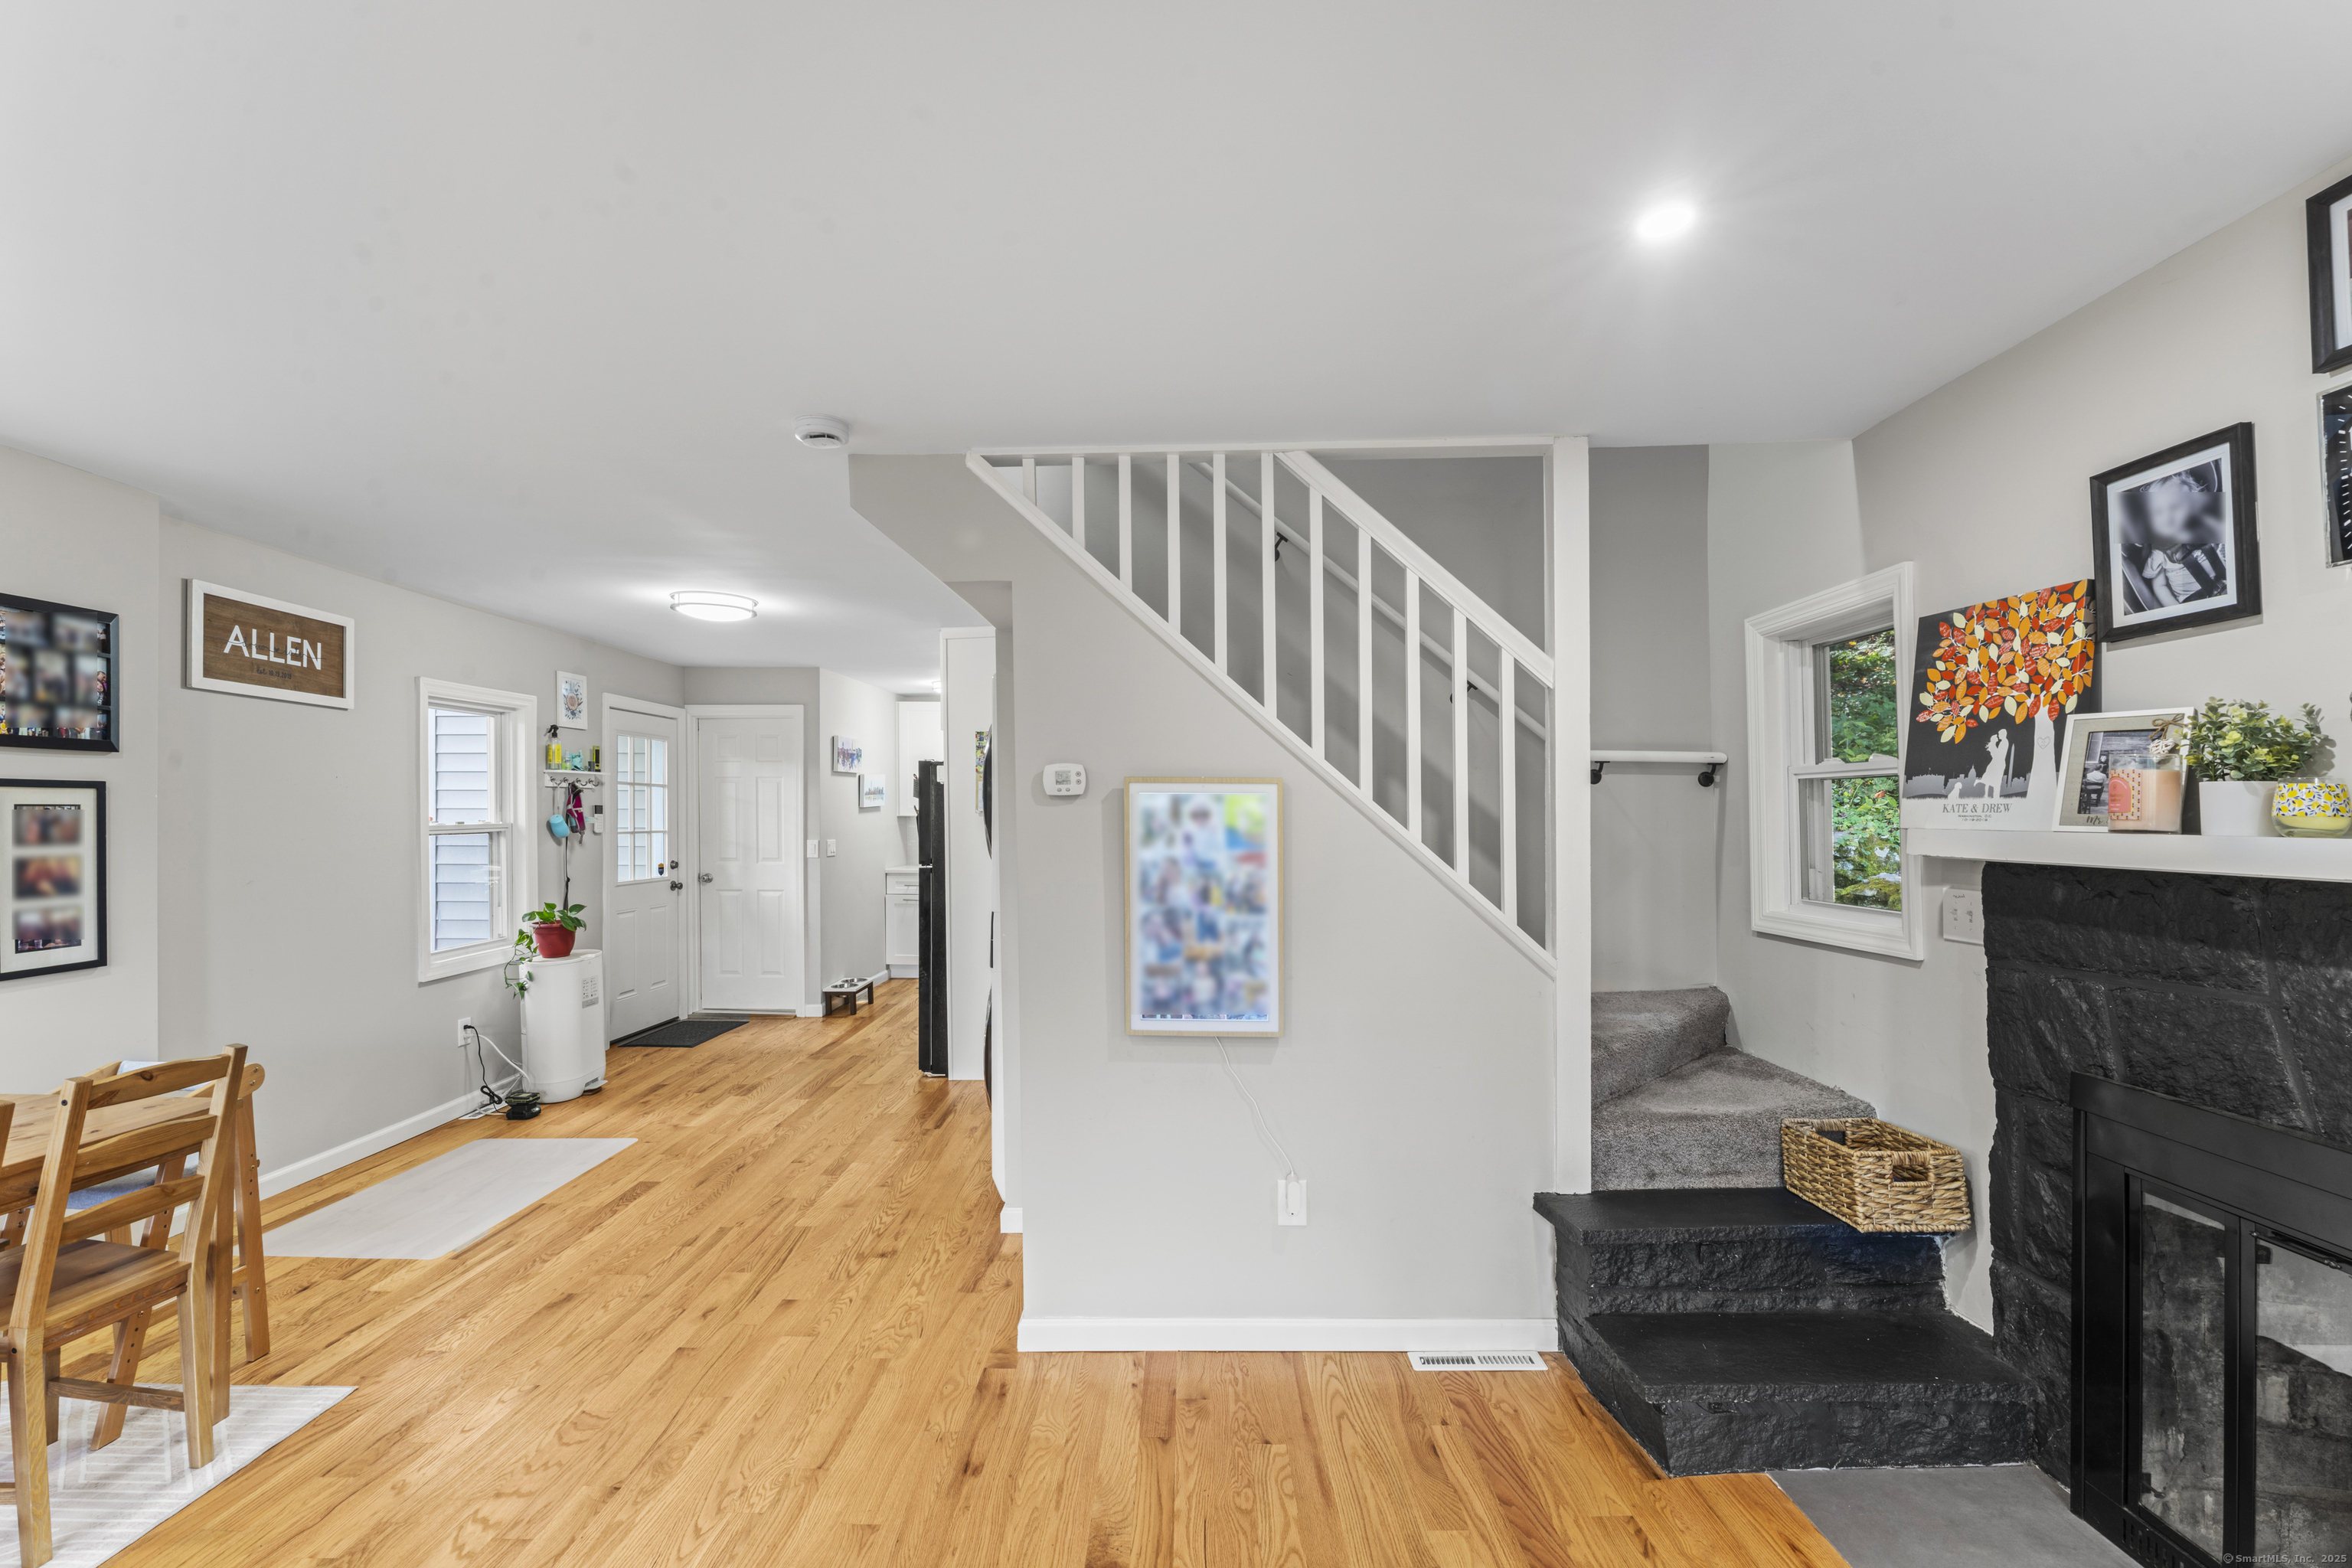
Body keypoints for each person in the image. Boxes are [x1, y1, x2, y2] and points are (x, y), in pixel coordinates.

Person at [2131, 472, 2227, 609]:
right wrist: (2177, 610)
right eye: (2159, 511)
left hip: (2225, 586)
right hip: (2194, 602)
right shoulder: (2159, 552)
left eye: (2175, 507)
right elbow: (2160, 586)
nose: (2168, 516)